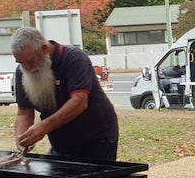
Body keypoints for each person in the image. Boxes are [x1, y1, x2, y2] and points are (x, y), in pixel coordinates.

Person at [12, 27, 119, 161]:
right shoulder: (22, 71)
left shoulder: (74, 58)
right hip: (60, 141)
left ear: (44, 49)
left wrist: (43, 127)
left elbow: (80, 101)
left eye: (30, 61)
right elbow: (24, 112)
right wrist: (22, 137)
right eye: (21, 63)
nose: (27, 68)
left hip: (96, 136)